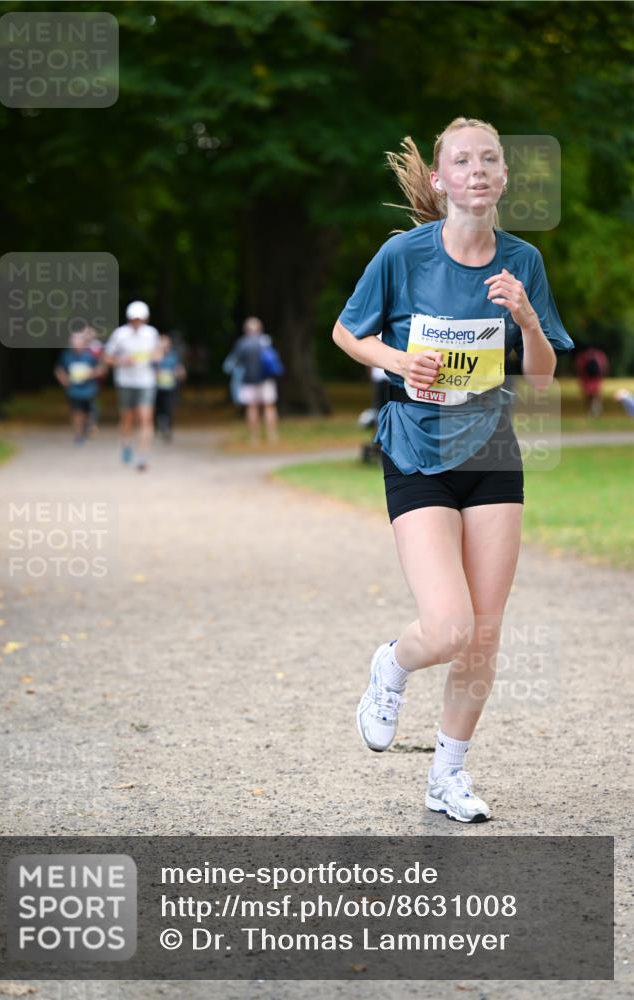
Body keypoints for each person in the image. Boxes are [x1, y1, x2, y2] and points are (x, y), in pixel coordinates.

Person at [332, 117, 574, 823]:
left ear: (502, 177)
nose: (476, 170)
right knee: (447, 628)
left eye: (488, 160)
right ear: (439, 180)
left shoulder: (522, 261)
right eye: (461, 161)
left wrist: (527, 320)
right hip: (416, 450)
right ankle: (393, 665)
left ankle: (447, 776)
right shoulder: (402, 257)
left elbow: (540, 378)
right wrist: (398, 360)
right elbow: (348, 332)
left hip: (492, 452)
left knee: (486, 631)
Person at [104, 301, 162, 472]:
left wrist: (155, 357)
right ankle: (126, 444)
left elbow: (158, 353)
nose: (137, 322)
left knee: (145, 418)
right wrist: (121, 361)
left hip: (146, 381)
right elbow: (107, 357)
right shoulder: (120, 334)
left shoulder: (152, 334)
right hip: (125, 381)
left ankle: (143, 456)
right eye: (134, 319)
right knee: (127, 418)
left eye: (140, 319)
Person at [228, 316, 280, 444]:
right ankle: (272, 436)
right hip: (266, 379)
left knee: (252, 408)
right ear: (260, 329)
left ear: (246, 330)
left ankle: (254, 437)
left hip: (248, 380)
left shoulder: (242, 343)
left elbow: (233, 363)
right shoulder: (266, 341)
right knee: (269, 407)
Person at [54, 329, 104, 444]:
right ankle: (78, 434)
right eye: (74, 342)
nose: (76, 345)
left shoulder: (90, 355)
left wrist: (90, 374)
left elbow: (101, 369)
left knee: (88, 412)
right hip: (73, 389)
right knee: (76, 412)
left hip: (89, 389)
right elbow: (59, 369)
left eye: (78, 342)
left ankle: (87, 427)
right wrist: (64, 380)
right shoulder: (66, 355)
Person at [154, 334, 186, 441]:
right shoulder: (153, 356)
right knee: (156, 409)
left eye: (166, 344)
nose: (164, 346)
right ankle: (155, 428)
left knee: (168, 409)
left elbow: (179, 369)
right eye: (161, 344)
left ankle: (168, 429)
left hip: (169, 387)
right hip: (155, 388)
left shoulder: (173, 356)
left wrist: (179, 373)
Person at [575, 347, 609, 417]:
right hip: (596, 378)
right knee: (596, 394)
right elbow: (604, 366)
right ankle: (597, 410)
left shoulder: (583, 356)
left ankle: (590, 411)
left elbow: (579, 367)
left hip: (586, 379)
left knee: (588, 396)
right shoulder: (599, 355)